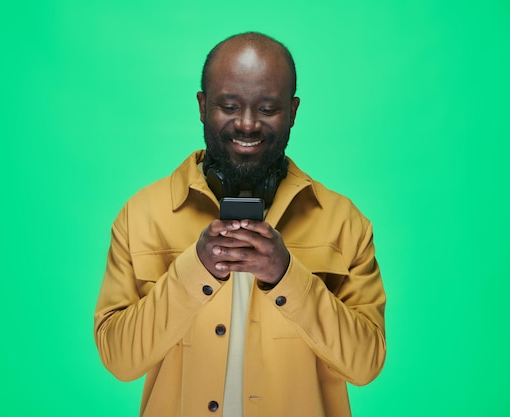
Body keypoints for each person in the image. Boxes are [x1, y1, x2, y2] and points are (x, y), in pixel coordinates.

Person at [94, 32, 386, 417]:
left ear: (293, 112)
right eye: (229, 106)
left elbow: (366, 364)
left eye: (267, 109)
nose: (247, 124)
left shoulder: (345, 223)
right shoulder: (141, 215)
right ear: (202, 106)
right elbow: (119, 360)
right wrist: (193, 271)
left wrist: (286, 276)